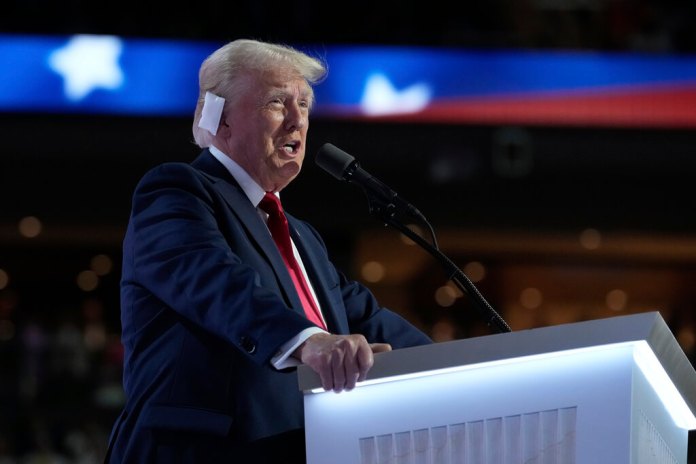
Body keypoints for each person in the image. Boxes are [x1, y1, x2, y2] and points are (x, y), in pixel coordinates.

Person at [104, 38, 432, 463]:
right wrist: (311, 343)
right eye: (277, 103)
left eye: (305, 105)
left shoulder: (302, 237)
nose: (297, 121)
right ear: (219, 119)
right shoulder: (176, 191)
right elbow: (217, 282)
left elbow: (366, 318)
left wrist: (467, 365)